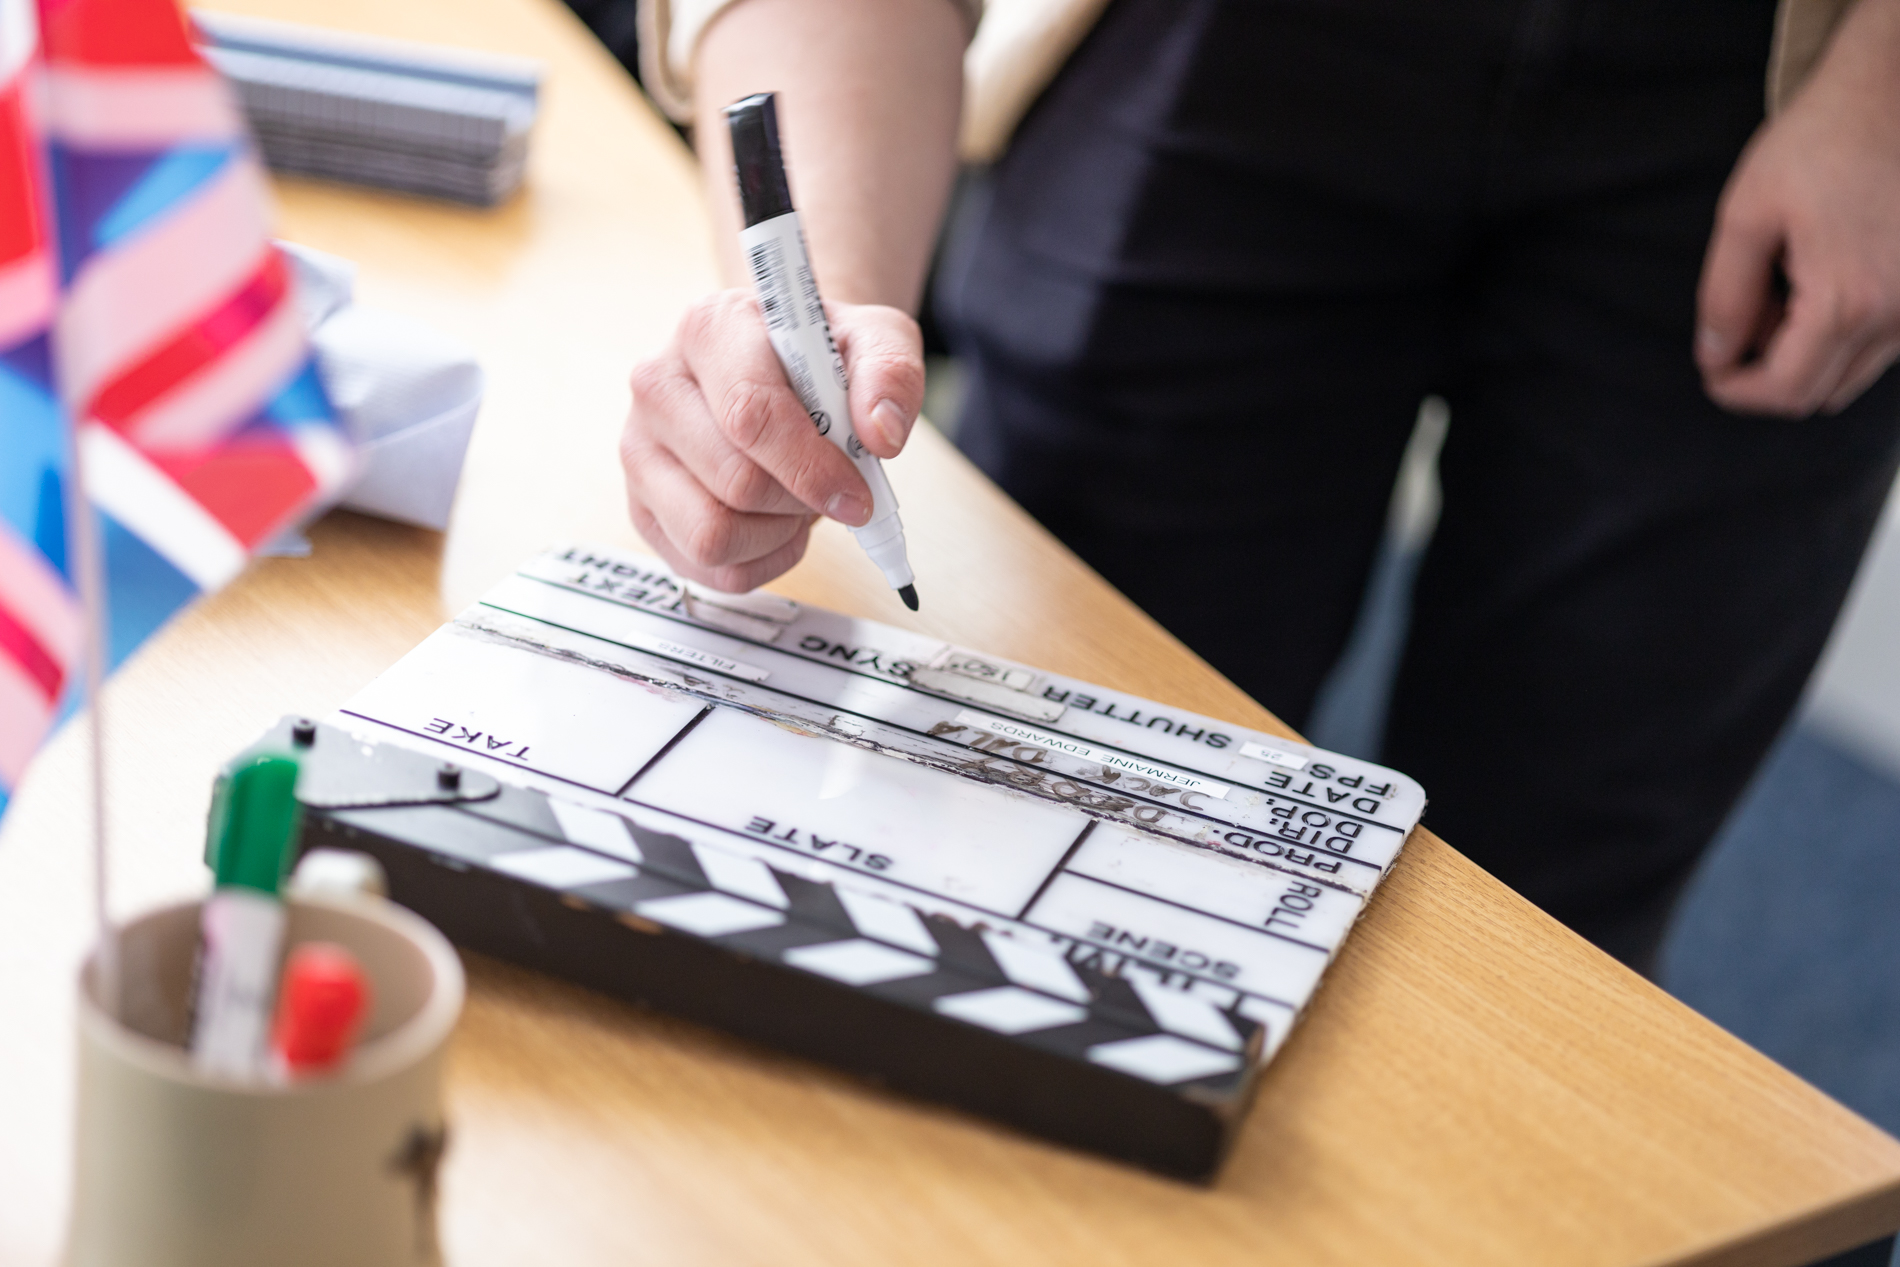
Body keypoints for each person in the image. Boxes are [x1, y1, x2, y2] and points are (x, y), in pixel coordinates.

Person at [616, 0, 1900, 971]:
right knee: (1038, 786)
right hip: (1229, 49)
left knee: (1560, 906)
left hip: (1774, 79)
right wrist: (815, 310)